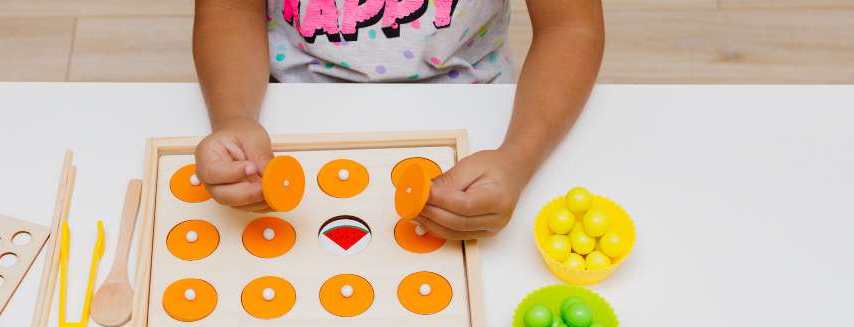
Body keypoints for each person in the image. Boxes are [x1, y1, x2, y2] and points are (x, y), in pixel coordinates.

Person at [192, 0, 604, 239]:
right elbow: (228, 11)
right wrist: (234, 115)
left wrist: (519, 156)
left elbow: (569, 27)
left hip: (481, 116)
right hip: (285, 107)